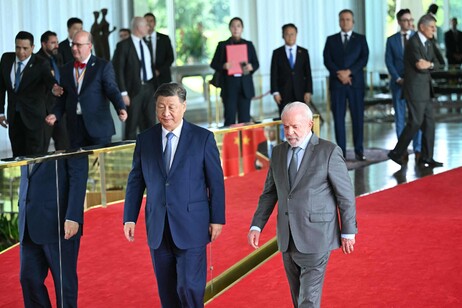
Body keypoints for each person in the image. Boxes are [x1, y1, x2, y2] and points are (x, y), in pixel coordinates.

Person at [123, 83, 225, 308]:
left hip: (192, 225)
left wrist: (217, 218)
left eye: (171, 107)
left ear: (184, 107)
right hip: (158, 226)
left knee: (188, 287)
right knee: (167, 292)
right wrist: (129, 217)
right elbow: (136, 181)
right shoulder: (145, 140)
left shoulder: (203, 139)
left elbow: (215, 183)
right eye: (161, 107)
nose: (166, 113)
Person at [248, 102, 357, 308]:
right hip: (287, 238)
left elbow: (345, 195)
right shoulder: (279, 153)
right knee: (298, 297)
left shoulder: (329, 152)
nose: (289, 132)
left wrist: (348, 231)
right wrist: (257, 225)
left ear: (309, 124)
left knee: (308, 300)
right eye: (285, 126)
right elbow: (269, 193)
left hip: (317, 236)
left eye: (295, 126)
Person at [18, 156, 88, 308]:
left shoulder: (68, 132)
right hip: (29, 222)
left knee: (64, 286)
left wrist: (73, 215)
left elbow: (78, 173)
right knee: (28, 279)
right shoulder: (26, 136)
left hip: (59, 221)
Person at [46, 30, 127, 149]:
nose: (73, 48)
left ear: (89, 46)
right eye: (72, 44)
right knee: (76, 165)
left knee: (98, 166)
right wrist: (55, 114)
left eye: (78, 45)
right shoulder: (66, 69)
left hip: (98, 126)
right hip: (75, 127)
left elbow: (112, 90)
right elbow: (63, 96)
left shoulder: (103, 66)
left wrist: (120, 108)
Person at [388, 14, 443, 168]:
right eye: (431, 27)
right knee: (415, 122)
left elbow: (439, 63)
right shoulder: (413, 43)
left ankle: (427, 157)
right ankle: (396, 152)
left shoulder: (429, 43)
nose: (434, 30)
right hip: (414, 90)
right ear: (422, 27)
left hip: (426, 90)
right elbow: (419, 65)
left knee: (429, 124)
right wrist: (426, 65)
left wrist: (430, 64)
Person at [0, 31, 61, 157]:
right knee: (18, 157)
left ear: (32, 48)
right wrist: (0, 112)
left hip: (35, 120)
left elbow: (50, 81)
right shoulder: (6, 59)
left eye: (25, 48)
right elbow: (1, 88)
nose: (21, 52)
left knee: (35, 158)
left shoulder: (41, 63)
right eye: (18, 47)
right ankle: (23, 178)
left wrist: (54, 88)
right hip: (14, 119)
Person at [323, 9, 369, 161]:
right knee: (339, 119)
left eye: (348, 19)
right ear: (339, 21)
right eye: (342, 19)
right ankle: (340, 152)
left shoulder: (360, 39)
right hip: (337, 85)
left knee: (357, 118)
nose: (345, 22)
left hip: (355, 84)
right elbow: (327, 60)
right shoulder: (331, 40)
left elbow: (364, 59)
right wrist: (340, 74)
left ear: (353, 22)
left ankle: (359, 150)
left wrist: (349, 72)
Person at [385, 9, 422, 162]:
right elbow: (389, 61)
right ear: (399, 22)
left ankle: (418, 149)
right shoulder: (391, 40)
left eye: (410, 19)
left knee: (416, 118)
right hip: (398, 84)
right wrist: (397, 78)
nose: (409, 22)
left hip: (415, 85)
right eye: (405, 20)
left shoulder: (418, 38)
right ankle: (402, 149)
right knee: (400, 118)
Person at [211, 17, 260, 126]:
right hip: (229, 85)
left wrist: (251, 67)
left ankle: (245, 143)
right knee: (229, 118)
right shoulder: (222, 45)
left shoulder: (249, 45)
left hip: (245, 85)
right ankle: (229, 143)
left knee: (245, 119)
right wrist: (224, 65)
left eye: (238, 26)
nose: (236, 29)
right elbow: (213, 63)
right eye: (233, 26)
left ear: (242, 28)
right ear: (229, 28)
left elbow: (256, 63)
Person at [113, 17, 156, 140]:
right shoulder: (123, 46)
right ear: (138, 27)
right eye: (146, 25)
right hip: (132, 91)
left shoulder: (147, 43)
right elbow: (118, 70)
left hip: (149, 88)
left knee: (150, 122)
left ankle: (150, 153)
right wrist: (123, 93)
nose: (148, 28)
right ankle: (130, 154)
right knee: (132, 125)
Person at [36, 30, 70, 152]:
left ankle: (62, 170)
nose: (57, 45)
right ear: (43, 44)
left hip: (59, 107)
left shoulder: (58, 57)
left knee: (63, 144)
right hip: (45, 109)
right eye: (53, 43)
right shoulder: (37, 61)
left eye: (57, 42)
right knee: (42, 147)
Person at [270, 23, 313, 116]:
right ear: (283, 35)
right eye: (287, 34)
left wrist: (308, 91)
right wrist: (275, 92)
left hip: (300, 92)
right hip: (283, 93)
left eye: (292, 34)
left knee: (301, 118)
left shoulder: (304, 52)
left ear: (296, 34)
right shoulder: (277, 53)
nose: (290, 37)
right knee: (285, 118)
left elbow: (308, 73)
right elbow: (273, 74)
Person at [144, 13, 174, 86]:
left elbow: (170, 58)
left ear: (155, 23)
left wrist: (159, 71)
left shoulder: (164, 39)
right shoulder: (140, 40)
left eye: (151, 21)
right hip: (146, 80)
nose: (148, 23)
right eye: (146, 21)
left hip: (163, 78)